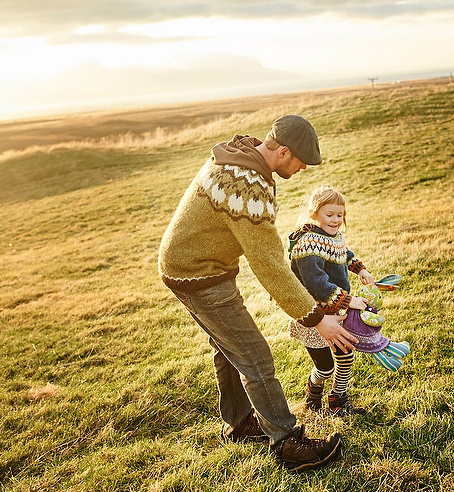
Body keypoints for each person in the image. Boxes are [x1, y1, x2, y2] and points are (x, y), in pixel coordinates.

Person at [158, 115, 357, 472]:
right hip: (198, 275)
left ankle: (238, 425)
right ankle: (287, 443)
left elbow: (265, 256)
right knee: (255, 356)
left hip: (196, 266)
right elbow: (268, 265)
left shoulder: (241, 156)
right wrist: (316, 317)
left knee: (228, 348)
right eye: (300, 162)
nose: (301, 170)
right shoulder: (247, 186)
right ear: (283, 152)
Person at [287, 186, 409, 416]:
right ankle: (313, 393)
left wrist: (359, 269)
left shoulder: (332, 235)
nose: (335, 220)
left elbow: (343, 251)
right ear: (314, 213)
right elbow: (316, 284)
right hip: (315, 315)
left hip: (336, 312)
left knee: (346, 356)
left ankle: (338, 401)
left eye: (339, 215)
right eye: (329, 214)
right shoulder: (307, 244)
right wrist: (348, 300)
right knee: (325, 367)